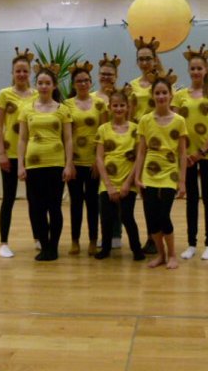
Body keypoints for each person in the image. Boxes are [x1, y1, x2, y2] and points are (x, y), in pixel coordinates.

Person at [18, 61, 75, 261]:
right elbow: (22, 139)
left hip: (55, 165)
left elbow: (68, 139)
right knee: (37, 208)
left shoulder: (62, 109)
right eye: (40, 83)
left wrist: (68, 164)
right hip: (34, 166)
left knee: (54, 207)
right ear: (36, 85)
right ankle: (44, 245)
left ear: (54, 85)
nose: (43, 86)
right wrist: (20, 165)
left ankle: (53, 247)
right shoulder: (26, 109)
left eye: (47, 83)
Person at [172, 45, 208, 261]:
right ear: (188, 70)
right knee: (191, 199)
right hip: (187, 156)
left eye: (199, 68)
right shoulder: (179, 95)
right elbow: (174, 125)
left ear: (206, 70)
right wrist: (185, 153)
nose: (195, 72)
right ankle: (191, 244)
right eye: (192, 68)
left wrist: (201, 152)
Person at [134, 69, 187, 270]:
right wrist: (137, 177)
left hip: (169, 174)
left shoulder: (179, 121)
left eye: (164, 92)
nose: (161, 96)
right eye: (157, 93)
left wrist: (182, 181)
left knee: (164, 216)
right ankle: (161, 255)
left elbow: (182, 153)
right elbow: (141, 151)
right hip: (149, 174)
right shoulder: (145, 120)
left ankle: (172, 254)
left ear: (171, 95)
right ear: (152, 95)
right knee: (152, 218)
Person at [0, 47, 38, 258]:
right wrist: (1, 153)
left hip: (33, 155)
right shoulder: (4, 94)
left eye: (25, 71)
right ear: (12, 72)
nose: (21, 74)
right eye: (18, 71)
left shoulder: (37, 95)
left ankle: (38, 237)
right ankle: (4, 242)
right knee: (9, 198)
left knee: (34, 198)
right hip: (10, 153)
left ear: (30, 73)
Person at [94, 86, 145, 261]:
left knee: (127, 217)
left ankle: (136, 249)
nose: (118, 109)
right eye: (115, 105)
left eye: (122, 105)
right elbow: (99, 158)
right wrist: (108, 185)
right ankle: (106, 248)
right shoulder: (103, 129)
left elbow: (139, 157)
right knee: (106, 218)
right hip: (108, 183)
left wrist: (128, 183)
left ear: (128, 107)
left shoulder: (135, 129)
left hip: (127, 183)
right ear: (110, 107)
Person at [64, 61, 107, 256]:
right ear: (74, 84)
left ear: (91, 82)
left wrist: (99, 161)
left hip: (93, 163)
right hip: (74, 162)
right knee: (75, 203)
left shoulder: (100, 104)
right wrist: (69, 163)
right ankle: (75, 240)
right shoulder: (67, 105)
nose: (83, 84)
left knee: (92, 203)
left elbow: (103, 133)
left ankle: (92, 240)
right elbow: (66, 135)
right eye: (79, 81)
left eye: (86, 80)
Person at [129, 36, 164, 255]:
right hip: (140, 142)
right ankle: (151, 237)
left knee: (161, 192)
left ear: (154, 59)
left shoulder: (162, 83)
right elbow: (129, 114)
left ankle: (161, 235)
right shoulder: (132, 85)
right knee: (146, 193)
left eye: (148, 58)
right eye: (141, 59)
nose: (144, 62)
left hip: (160, 143)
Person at [91, 53, 124, 249]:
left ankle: (117, 233)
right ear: (98, 75)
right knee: (101, 198)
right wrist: (97, 157)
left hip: (120, 154)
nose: (106, 77)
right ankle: (103, 234)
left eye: (110, 74)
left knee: (118, 194)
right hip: (98, 153)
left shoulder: (120, 97)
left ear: (116, 76)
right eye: (103, 74)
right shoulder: (92, 98)